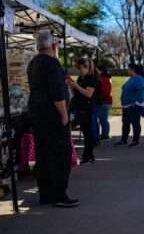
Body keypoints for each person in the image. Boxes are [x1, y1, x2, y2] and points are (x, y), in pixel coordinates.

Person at [27, 30, 78, 208]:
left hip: (37, 113)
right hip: (52, 116)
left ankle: (46, 194)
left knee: (43, 155)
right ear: (53, 45)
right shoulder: (52, 63)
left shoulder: (33, 63)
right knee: (60, 155)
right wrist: (64, 114)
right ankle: (59, 194)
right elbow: (56, 93)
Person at [68, 58, 99, 164]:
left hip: (87, 109)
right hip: (80, 108)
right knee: (86, 133)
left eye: (81, 69)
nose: (79, 71)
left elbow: (88, 94)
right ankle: (88, 154)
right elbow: (77, 92)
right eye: (78, 69)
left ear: (87, 67)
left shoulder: (91, 79)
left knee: (88, 133)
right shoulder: (80, 78)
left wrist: (76, 86)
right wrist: (72, 85)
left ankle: (88, 155)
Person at [116, 64, 144, 147]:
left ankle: (135, 140)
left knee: (135, 122)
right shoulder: (132, 78)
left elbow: (140, 90)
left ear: (133, 69)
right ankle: (123, 140)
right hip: (127, 105)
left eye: (128, 69)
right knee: (125, 123)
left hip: (134, 105)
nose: (127, 70)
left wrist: (134, 101)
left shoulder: (139, 79)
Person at [96, 65, 113, 140]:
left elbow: (104, 92)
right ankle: (105, 134)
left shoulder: (103, 79)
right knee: (104, 119)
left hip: (103, 102)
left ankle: (105, 134)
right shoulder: (107, 79)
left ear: (101, 71)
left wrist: (97, 97)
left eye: (97, 70)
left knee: (103, 119)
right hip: (106, 101)